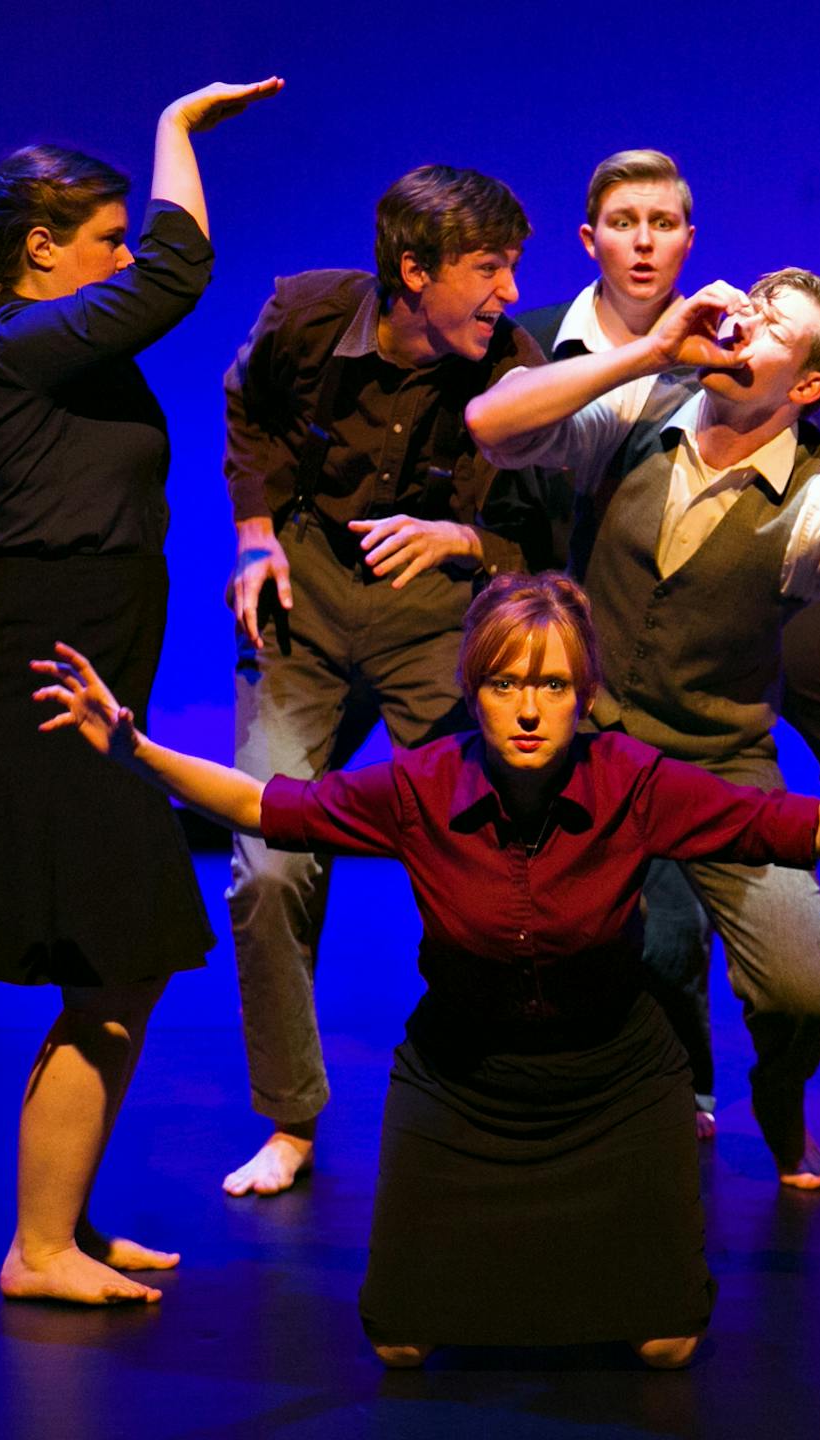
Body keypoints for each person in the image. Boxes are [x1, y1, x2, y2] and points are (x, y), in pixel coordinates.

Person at [29, 573, 820, 1362]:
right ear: (472, 690)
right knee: (400, 1342)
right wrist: (135, 750)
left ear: (585, 694)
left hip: (614, 1077)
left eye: (554, 685)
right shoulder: (420, 784)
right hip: (462, 1078)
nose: (528, 708)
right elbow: (261, 805)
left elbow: (805, 829)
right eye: (504, 683)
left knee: (667, 1344)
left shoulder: (633, 779)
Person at [464, 269, 820, 1188]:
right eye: (751, 302)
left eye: (774, 325)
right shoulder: (644, 404)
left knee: (801, 992)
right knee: (581, 952)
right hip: (594, 753)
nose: (745, 320)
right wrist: (651, 348)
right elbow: (491, 424)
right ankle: (619, 1114)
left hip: (719, 767)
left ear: (808, 385)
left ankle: (778, 1098)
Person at [0, 75, 284, 1305]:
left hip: (89, 689)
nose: (123, 258)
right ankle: (39, 1248)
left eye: (124, 235)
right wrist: (176, 132)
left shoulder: (62, 359)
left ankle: (57, 1223)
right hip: (45, 691)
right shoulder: (16, 345)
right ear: (39, 248)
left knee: (115, 970)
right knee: (119, 963)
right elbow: (178, 275)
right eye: (104, 238)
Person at [218, 167, 547, 1198]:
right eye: (487, 269)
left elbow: (546, 535)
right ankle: (291, 1118)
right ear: (414, 272)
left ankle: (493, 1096)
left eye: (512, 267)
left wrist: (464, 540)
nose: (508, 292)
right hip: (307, 604)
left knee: (481, 857)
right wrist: (256, 533)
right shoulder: (307, 316)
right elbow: (248, 408)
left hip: (433, 617)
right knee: (270, 866)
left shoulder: (515, 368)